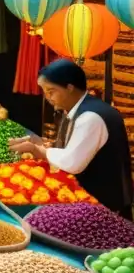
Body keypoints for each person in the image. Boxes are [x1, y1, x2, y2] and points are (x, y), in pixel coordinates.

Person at [9, 59, 133, 217]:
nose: (47, 97)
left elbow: (73, 163)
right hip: (95, 200)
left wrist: (38, 150)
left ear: (69, 88)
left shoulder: (90, 117)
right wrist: (43, 145)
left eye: (51, 91)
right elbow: (78, 149)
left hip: (103, 207)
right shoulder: (83, 109)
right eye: (45, 91)